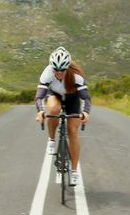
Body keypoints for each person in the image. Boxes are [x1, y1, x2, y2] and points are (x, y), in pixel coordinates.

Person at [34, 46, 91, 186]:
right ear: (52, 68)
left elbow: (86, 98)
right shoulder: (47, 73)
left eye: (63, 70)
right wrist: (40, 111)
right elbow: (39, 97)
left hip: (72, 98)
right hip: (55, 95)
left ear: (68, 68)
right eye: (56, 70)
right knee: (53, 109)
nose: (59, 73)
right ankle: (52, 140)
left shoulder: (77, 76)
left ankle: (74, 172)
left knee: (73, 132)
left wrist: (85, 113)